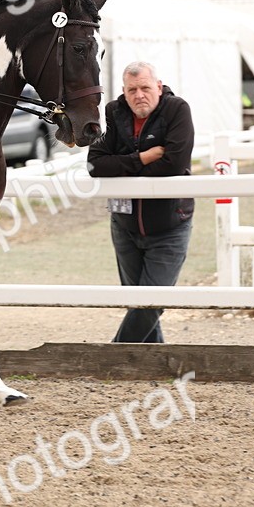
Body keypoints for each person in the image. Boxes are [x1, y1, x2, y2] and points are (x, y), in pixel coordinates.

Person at [87, 62, 195, 343]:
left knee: (150, 303)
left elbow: (174, 164)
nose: (139, 95)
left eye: (145, 88)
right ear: (124, 91)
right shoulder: (112, 112)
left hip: (170, 224)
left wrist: (121, 167)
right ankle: (154, 359)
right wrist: (143, 158)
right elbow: (95, 165)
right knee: (138, 304)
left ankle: (111, 357)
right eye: (132, 90)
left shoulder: (177, 110)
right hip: (124, 225)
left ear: (158, 87)